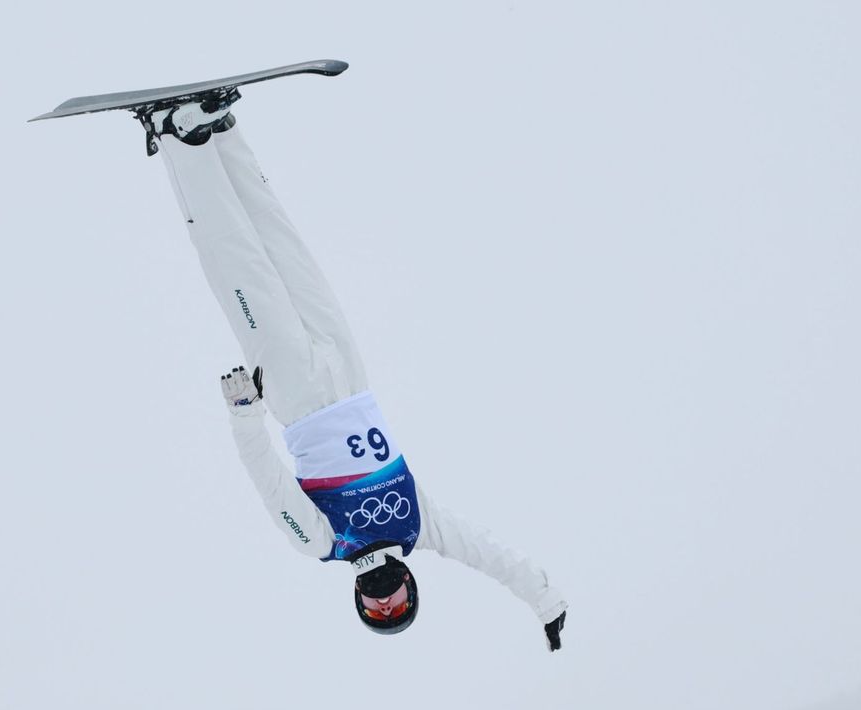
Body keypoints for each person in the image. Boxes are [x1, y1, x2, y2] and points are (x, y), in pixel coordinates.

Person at [142, 95, 567, 649]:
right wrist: (544, 600)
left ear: (359, 599)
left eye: (375, 608)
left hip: (297, 395)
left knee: (242, 266)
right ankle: (221, 133)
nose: (383, 599)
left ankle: (180, 140)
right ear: (411, 588)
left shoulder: (326, 542)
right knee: (284, 244)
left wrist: (246, 415)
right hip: (350, 372)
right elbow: (490, 553)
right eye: (395, 605)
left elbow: (269, 481)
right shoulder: (419, 526)